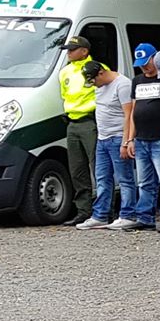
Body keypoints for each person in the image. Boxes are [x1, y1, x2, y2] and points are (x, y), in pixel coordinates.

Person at [123, 48, 160, 231]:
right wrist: (130, 139)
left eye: (147, 63)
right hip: (141, 139)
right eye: (141, 66)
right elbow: (133, 111)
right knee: (145, 182)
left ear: (155, 58)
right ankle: (144, 216)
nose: (145, 68)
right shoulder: (137, 81)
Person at [79, 61, 139, 230]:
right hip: (103, 138)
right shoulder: (99, 86)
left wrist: (126, 141)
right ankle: (100, 215)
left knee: (124, 178)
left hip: (117, 137)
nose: (94, 85)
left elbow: (129, 115)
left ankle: (128, 214)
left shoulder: (123, 85)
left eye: (94, 80)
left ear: (101, 73)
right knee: (102, 178)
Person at [58, 34, 98, 225]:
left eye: (72, 50)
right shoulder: (65, 72)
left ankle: (103, 210)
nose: (69, 53)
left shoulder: (96, 68)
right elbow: (66, 97)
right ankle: (84, 210)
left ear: (84, 51)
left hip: (91, 121)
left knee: (98, 167)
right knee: (77, 169)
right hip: (73, 123)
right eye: (68, 50)